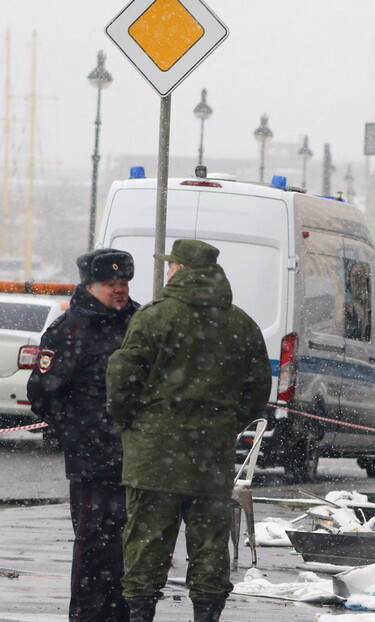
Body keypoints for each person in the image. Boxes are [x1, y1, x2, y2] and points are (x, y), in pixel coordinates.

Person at [106, 239, 270, 622]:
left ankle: (141, 613)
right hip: (209, 457)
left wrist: (130, 421)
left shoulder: (154, 317)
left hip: (153, 455)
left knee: (146, 543)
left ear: (178, 269)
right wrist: (225, 424)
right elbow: (258, 389)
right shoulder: (241, 323)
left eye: (169, 266)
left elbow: (122, 376)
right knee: (211, 546)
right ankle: (207, 614)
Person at [27, 248, 140, 622]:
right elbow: (43, 391)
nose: (118, 290)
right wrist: (75, 432)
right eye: (110, 284)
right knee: (94, 546)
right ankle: (89, 616)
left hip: (136, 455)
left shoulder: (139, 323)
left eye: (122, 282)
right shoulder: (69, 330)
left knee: (132, 545)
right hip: (92, 459)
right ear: (89, 286)